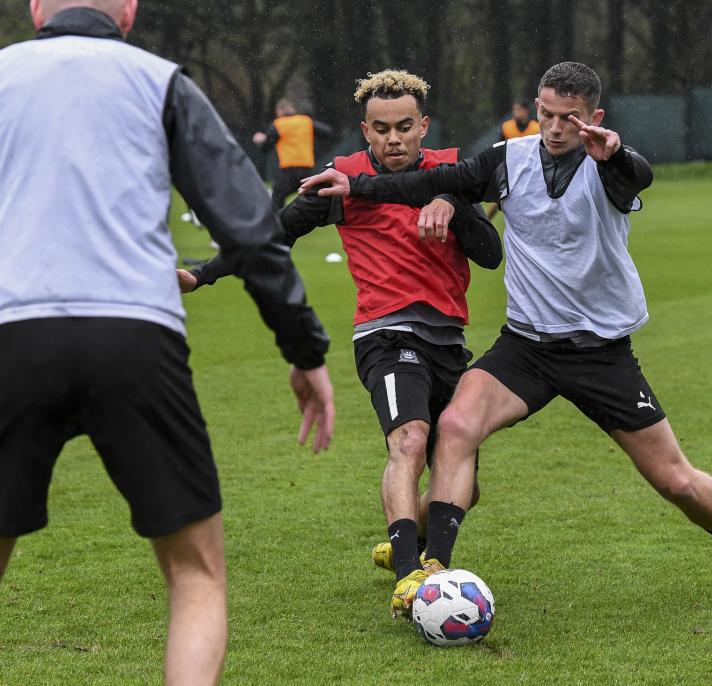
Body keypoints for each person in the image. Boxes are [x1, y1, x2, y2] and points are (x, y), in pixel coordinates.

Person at [302, 61, 712, 615]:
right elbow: (429, 181)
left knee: (676, 481)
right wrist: (357, 184)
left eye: (567, 117)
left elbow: (638, 175)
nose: (552, 127)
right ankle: (433, 572)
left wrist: (616, 154)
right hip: (526, 348)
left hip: (601, 355)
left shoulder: (610, 167)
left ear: (592, 117)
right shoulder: (511, 158)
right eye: (545, 114)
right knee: (455, 424)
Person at [0, 2, 335, 684]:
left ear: (35, 8)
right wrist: (303, 350)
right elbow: (247, 229)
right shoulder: (159, 80)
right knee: (195, 573)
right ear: (128, 10)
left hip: (10, 337)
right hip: (135, 336)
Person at [180, 69, 502, 619]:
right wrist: (205, 273)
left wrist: (453, 203)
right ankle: (416, 578)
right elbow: (272, 235)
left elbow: (491, 254)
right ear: (364, 131)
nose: (393, 139)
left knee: (462, 485)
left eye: (404, 127)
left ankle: (408, 544)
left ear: (423, 126)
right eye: (381, 129)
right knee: (410, 440)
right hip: (384, 332)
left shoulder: (449, 174)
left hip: (448, 339)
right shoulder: (341, 181)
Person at [254, 98, 334, 210]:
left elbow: (265, 148)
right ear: (293, 109)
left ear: (279, 111)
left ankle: (280, 224)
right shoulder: (306, 121)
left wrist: (261, 140)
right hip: (307, 172)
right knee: (311, 200)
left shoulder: (278, 124)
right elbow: (327, 132)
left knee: (277, 199)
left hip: (289, 172)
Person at [487, 99, 542, 218]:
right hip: (511, 168)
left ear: (526, 111)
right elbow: (500, 148)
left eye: (518, 110)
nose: (515, 113)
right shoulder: (507, 127)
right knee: (498, 198)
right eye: (514, 110)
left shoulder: (536, 128)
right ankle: (485, 222)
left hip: (530, 169)